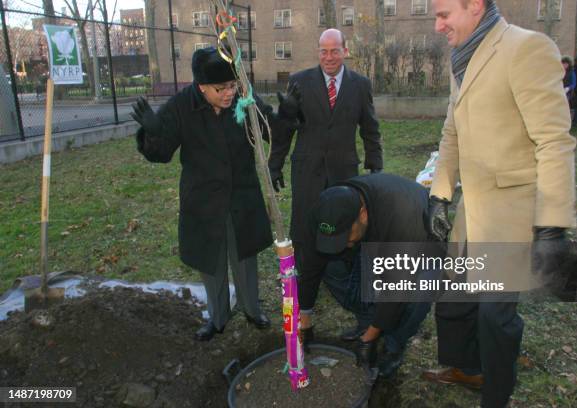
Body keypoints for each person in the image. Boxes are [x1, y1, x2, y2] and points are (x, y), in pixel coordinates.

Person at [425, 1, 576, 407]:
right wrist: (440, 195)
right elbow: (451, 134)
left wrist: (552, 226)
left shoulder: (526, 48)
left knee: (495, 317)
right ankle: (467, 369)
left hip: (510, 218)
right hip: (470, 217)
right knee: (454, 300)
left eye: (443, 15)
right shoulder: (463, 55)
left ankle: (497, 393)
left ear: (474, 5)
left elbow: (554, 141)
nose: (437, 25)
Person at [130, 47, 277, 341]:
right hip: (204, 199)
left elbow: (267, 128)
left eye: (232, 85)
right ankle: (218, 317)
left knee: (245, 255)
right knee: (212, 260)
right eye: (220, 89)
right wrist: (153, 133)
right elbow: (162, 154)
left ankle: (251, 308)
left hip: (242, 194)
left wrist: (286, 114)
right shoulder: (181, 106)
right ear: (201, 87)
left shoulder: (243, 98)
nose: (228, 94)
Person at [269, 28, 383, 340]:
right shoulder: (300, 81)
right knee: (306, 240)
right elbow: (286, 127)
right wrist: (275, 163)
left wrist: (375, 161)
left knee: (347, 238)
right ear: (317, 52)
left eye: (335, 51)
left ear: (345, 50)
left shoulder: (360, 85)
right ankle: (304, 314)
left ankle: (359, 305)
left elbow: (370, 127)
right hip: (307, 174)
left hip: (344, 174)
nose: (329, 57)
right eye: (323, 51)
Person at [297, 173, 434, 378]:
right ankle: (367, 318)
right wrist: (304, 317)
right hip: (374, 241)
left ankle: (393, 344)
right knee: (331, 263)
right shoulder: (324, 211)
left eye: (345, 237)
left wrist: (368, 340)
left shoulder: (401, 215)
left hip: (418, 246)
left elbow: (397, 287)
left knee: (421, 290)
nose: (342, 244)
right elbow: (309, 266)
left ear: (362, 214)